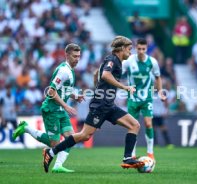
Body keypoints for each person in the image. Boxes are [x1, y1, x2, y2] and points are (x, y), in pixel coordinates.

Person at [42, 36, 145, 173]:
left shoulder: (114, 61)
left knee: (135, 125)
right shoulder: (113, 59)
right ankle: (51, 152)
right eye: (129, 49)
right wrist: (124, 87)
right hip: (101, 105)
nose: (130, 52)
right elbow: (105, 75)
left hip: (108, 104)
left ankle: (127, 158)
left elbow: (98, 73)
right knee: (84, 135)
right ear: (121, 48)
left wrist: (99, 89)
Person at [13, 43, 84, 173]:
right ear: (67, 55)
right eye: (75, 56)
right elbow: (51, 91)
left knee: (71, 139)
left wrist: (75, 96)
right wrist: (66, 105)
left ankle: (57, 166)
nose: (77, 59)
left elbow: (64, 90)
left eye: (79, 56)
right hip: (51, 109)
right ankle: (26, 128)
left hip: (61, 111)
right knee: (55, 144)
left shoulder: (71, 70)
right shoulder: (63, 70)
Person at [122, 38, 166, 160]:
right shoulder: (129, 61)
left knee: (148, 123)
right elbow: (118, 72)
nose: (141, 51)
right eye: (139, 49)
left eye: (143, 49)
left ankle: (150, 153)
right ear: (136, 48)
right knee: (132, 126)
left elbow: (158, 77)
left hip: (147, 98)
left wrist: (160, 91)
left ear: (147, 49)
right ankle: (132, 154)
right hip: (132, 99)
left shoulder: (152, 62)